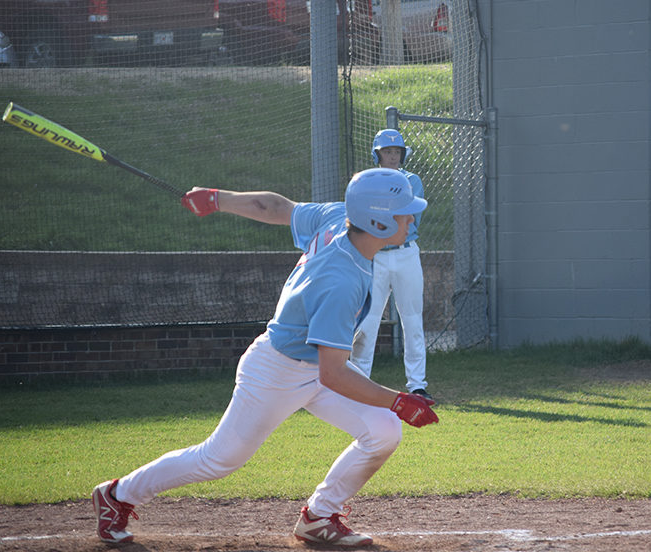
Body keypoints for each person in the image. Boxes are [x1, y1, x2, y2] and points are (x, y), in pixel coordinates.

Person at [91, 168, 438, 548]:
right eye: (404, 211)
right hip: (277, 370)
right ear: (379, 219)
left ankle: (319, 517)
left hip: (314, 365)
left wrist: (217, 198)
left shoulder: (341, 217)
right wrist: (399, 400)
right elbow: (334, 375)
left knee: (384, 430)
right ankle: (117, 495)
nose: (411, 217)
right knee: (218, 460)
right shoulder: (341, 281)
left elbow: (276, 207)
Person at [351, 129, 431, 400]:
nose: (393, 156)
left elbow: (405, 219)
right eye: (388, 151)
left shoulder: (412, 180)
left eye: (397, 152)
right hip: (376, 255)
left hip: (406, 253)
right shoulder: (367, 181)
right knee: (369, 319)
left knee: (412, 318)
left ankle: (417, 384)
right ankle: (359, 380)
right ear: (378, 155)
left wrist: (382, 214)